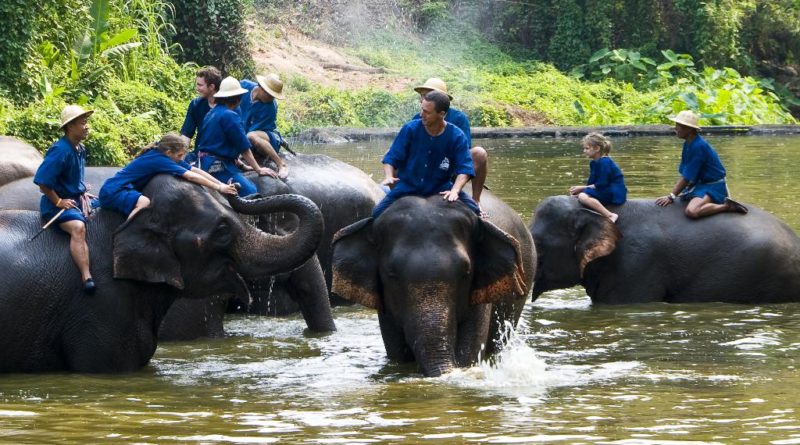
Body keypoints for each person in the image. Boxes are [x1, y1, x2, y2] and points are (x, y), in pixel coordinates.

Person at [373, 90, 479, 218]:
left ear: (442, 114)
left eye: (427, 112)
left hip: (440, 187)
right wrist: (389, 176)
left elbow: (465, 168)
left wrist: (455, 190)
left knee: (475, 210)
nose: (421, 114)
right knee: (376, 213)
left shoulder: (456, 136)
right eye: (422, 109)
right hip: (407, 187)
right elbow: (391, 157)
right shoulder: (410, 129)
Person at [99, 132, 238, 220]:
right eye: (179, 156)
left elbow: (194, 170)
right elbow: (190, 176)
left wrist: (221, 185)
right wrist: (218, 187)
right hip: (115, 190)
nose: (180, 159)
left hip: (121, 188)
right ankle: (126, 234)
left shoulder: (166, 156)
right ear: (168, 152)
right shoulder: (159, 159)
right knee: (144, 202)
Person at [33, 105, 96, 293]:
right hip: (58, 205)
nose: (87, 127)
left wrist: (81, 189)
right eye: (83, 123)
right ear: (70, 126)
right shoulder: (60, 150)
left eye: (87, 123)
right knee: (78, 228)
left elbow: (73, 175)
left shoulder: (80, 148)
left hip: (76, 198)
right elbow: (42, 182)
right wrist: (59, 201)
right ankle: (86, 275)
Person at [412, 78, 488, 212]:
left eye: (428, 95)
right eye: (423, 95)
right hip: (425, 167)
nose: (423, 99)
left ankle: (476, 199)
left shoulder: (459, 118)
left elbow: (464, 150)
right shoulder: (417, 118)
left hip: (451, 166)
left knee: (479, 153)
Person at [655, 110, 748, 218]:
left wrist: (671, 196)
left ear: (689, 129)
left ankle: (727, 206)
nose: (676, 128)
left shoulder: (698, 146)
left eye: (679, 125)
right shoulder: (688, 143)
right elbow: (686, 169)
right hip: (699, 183)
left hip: (713, 186)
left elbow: (686, 176)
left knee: (692, 211)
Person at [195, 76, 275, 197]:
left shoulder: (211, 113)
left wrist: (242, 165)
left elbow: (218, 143)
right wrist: (258, 169)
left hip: (203, 161)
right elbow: (243, 147)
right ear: (237, 99)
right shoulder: (230, 116)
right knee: (252, 193)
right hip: (218, 166)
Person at [238, 73, 289, 179]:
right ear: (262, 88)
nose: (272, 98)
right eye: (270, 95)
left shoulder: (270, 107)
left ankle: (281, 164)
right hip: (243, 131)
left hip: (264, 137)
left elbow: (251, 132)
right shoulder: (244, 86)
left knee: (251, 136)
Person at [569, 132, 627, 223]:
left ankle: (610, 215)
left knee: (583, 197)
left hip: (613, 192)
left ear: (597, 148)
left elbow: (601, 184)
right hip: (605, 189)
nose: (584, 151)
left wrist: (582, 189)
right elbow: (592, 182)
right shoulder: (593, 163)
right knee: (579, 195)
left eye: (587, 148)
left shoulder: (605, 162)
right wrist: (586, 190)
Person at [180, 66, 222, 164]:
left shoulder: (229, 106)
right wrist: (180, 156)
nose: (197, 88)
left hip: (220, 156)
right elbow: (186, 135)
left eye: (200, 85)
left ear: (211, 87)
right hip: (198, 154)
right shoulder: (196, 104)